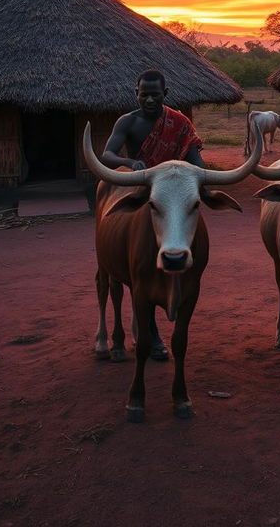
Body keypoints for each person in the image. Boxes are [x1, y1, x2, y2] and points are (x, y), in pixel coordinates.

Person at [101, 68, 205, 360]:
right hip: (147, 194)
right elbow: (107, 155)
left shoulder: (180, 123)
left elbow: (196, 158)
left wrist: (196, 175)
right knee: (141, 271)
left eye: (155, 95)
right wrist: (130, 163)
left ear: (165, 95)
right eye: (143, 94)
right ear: (136, 93)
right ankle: (153, 335)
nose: (149, 99)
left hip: (177, 193)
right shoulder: (128, 121)